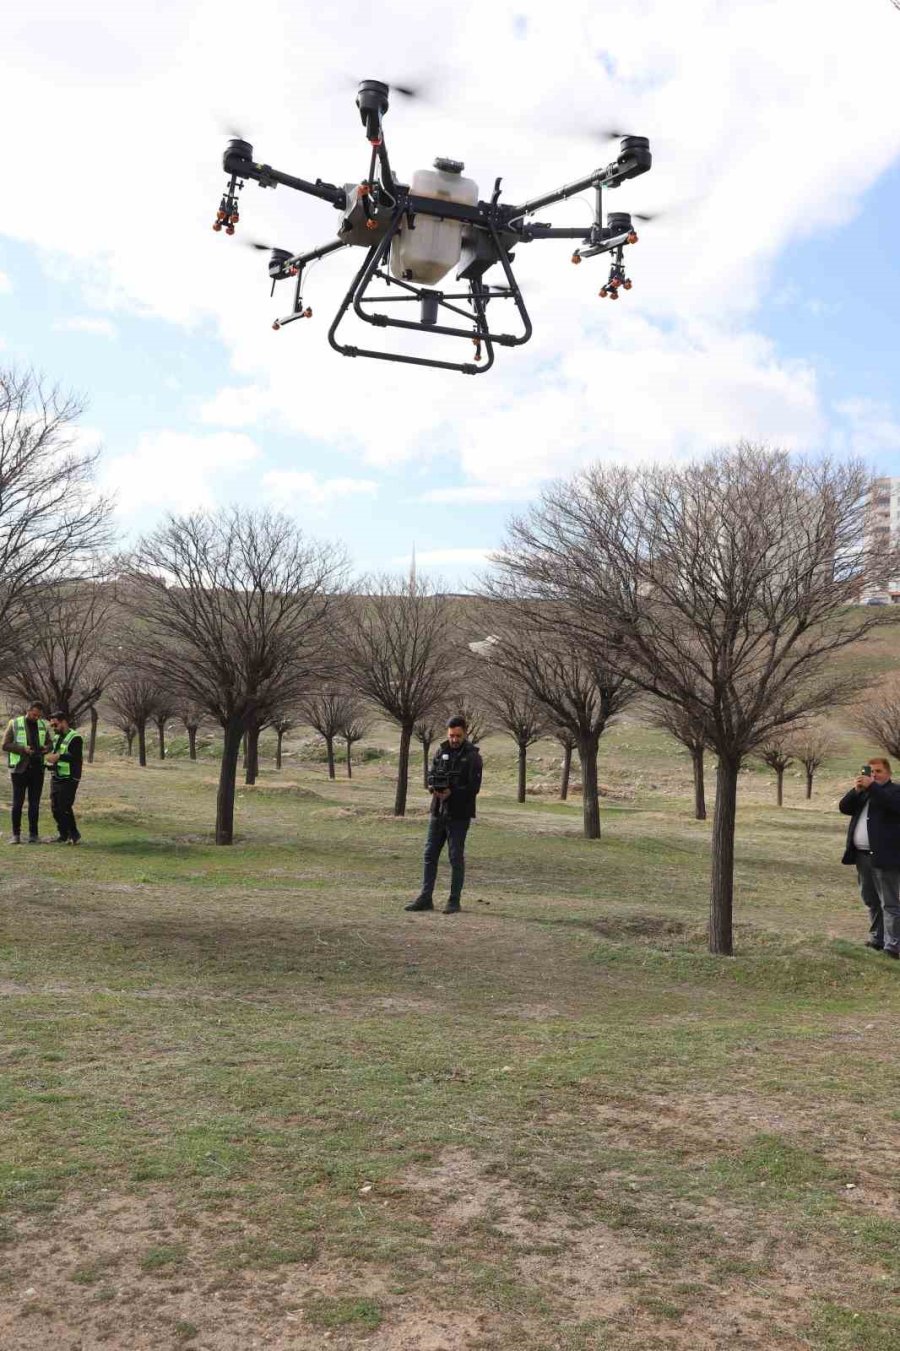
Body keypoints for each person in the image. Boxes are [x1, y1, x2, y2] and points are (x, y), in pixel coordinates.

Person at [406, 715, 483, 915]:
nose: (454, 739)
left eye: (458, 736)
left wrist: (452, 792)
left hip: (459, 814)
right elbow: (432, 775)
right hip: (438, 810)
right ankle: (425, 898)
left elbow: (474, 788)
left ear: (465, 733)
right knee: (429, 854)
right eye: (451, 735)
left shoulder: (473, 756)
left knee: (455, 857)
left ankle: (454, 900)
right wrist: (434, 787)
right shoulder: (441, 751)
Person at [839, 756, 900, 959]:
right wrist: (856, 790)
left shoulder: (895, 791)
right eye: (871, 772)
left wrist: (872, 786)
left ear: (888, 773)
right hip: (862, 856)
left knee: (889, 903)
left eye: (878, 771)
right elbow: (844, 807)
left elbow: (893, 805)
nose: (874, 775)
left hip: (886, 857)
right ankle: (877, 940)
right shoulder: (864, 793)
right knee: (871, 900)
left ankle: (893, 946)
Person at [3, 700, 52, 844]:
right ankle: (16, 835)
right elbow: (5, 745)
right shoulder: (14, 723)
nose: (36, 718)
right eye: (34, 714)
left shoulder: (42, 725)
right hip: (20, 769)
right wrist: (23, 749)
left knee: (35, 803)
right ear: (28, 710)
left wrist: (47, 748)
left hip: (37, 768)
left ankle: (33, 835)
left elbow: (50, 743)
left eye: (39, 715)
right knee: (17, 803)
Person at [45, 710, 84, 845]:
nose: (53, 728)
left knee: (65, 806)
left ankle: (74, 835)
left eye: (55, 725)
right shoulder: (57, 737)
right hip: (57, 775)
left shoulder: (75, 738)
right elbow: (55, 754)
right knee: (55, 807)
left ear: (63, 722)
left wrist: (58, 757)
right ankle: (63, 834)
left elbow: (76, 757)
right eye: (52, 725)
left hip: (70, 777)